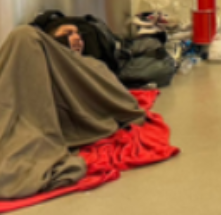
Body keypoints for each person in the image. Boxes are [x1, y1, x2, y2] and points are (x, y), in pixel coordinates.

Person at [0, 24, 144, 199]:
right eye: (67, 34)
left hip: (55, 130)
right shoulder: (35, 63)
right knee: (24, 35)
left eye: (79, 35)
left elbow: (118, 97)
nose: (77, 38)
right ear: (50, 44)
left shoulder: (93, 64)